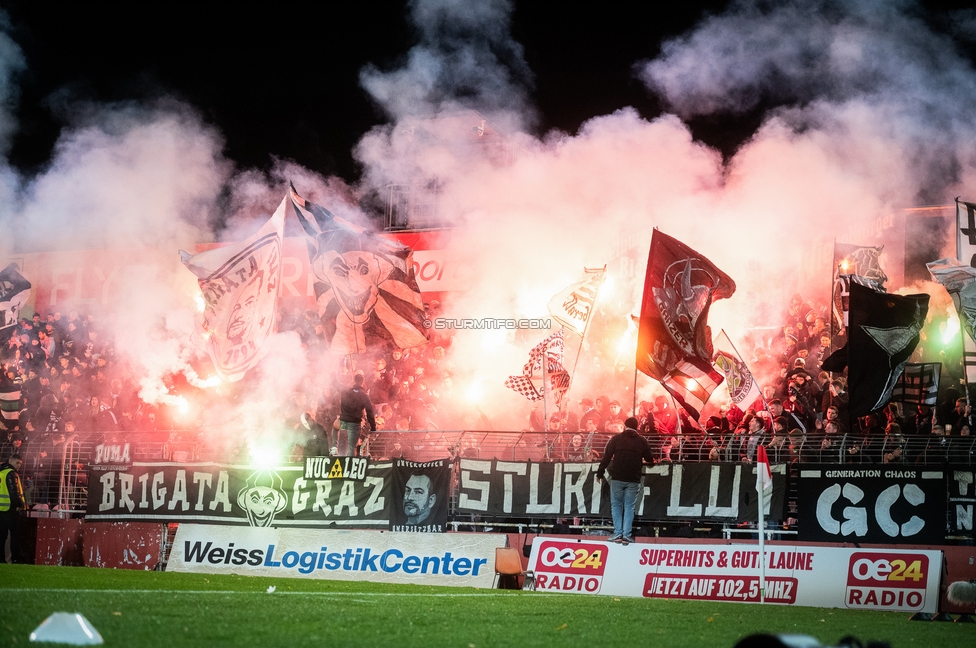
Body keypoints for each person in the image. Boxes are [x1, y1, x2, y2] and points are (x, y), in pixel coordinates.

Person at [596, 416, 653, 545]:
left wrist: (600, 472)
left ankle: (617, 533)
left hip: (617, 478)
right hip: (634, 479)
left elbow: (606, 457)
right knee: (629, 507)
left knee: (616, 505)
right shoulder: (642, 440)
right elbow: (649, 458)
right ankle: (627, 535)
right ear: (637, 427)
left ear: (625, 426)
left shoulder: (616, 439)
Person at [337, 374, 376, 456]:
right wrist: (373, 427)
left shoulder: (345, 391)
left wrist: (333, 374)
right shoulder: (364, 396)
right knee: (351, 446)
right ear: (362, 382)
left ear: (353, 381)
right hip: (354, 423)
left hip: (343, 421)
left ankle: (341, 462)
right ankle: (350, 465)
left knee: (342, 443)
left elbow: (335, 384)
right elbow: (370, 411)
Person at [0, 454, 26, 563]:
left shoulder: (1, 472)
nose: (19, 465)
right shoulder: (12, 473)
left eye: (20, 463)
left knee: (1, 536)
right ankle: (15, 558)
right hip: (11, 510)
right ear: (10, 460)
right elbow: (14, 493)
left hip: (1, 510)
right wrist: (20, 505)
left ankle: (1, 559)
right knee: (15, 535)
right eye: (17, 462)